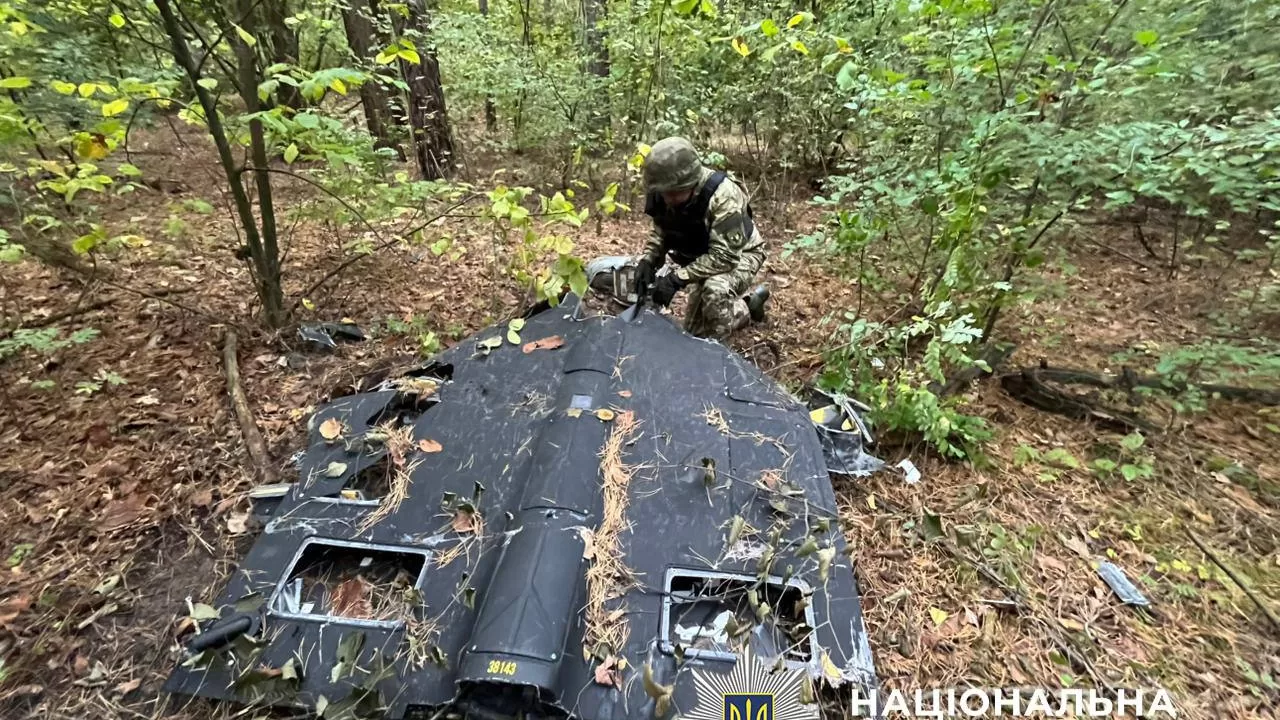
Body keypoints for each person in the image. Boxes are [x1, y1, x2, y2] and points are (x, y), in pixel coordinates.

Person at [635, 137, 769, 341]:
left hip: (742, 254)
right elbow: (661, 229)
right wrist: (648, 259)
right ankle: (749, 305)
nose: (668, 199)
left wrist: (677, 279)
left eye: (674, 193)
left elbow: (725, 257)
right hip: (704, 255)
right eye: (664, 193)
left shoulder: (723, 196)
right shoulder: (662, 192)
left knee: (714, 291)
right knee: (693, 333)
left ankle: (716, 350)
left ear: (691, 183)